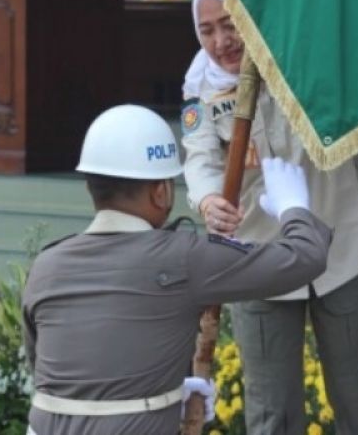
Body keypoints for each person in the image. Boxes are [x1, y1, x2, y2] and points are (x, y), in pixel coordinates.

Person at [21, 104, 332, 435]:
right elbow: (305, 256)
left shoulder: (46, 265)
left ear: (89, 188)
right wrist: (293, 207)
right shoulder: (183, 257)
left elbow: (53, 373)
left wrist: (164, 392)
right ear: (161, 193)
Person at [181, 0, 358, 433]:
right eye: (207, 30)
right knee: (271, 411)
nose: (221, 42)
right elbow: (198, 157)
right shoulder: (200, 86)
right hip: (258, 261)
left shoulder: (304, 57)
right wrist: (208, 200)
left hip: (343, 252)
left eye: (231, 24)